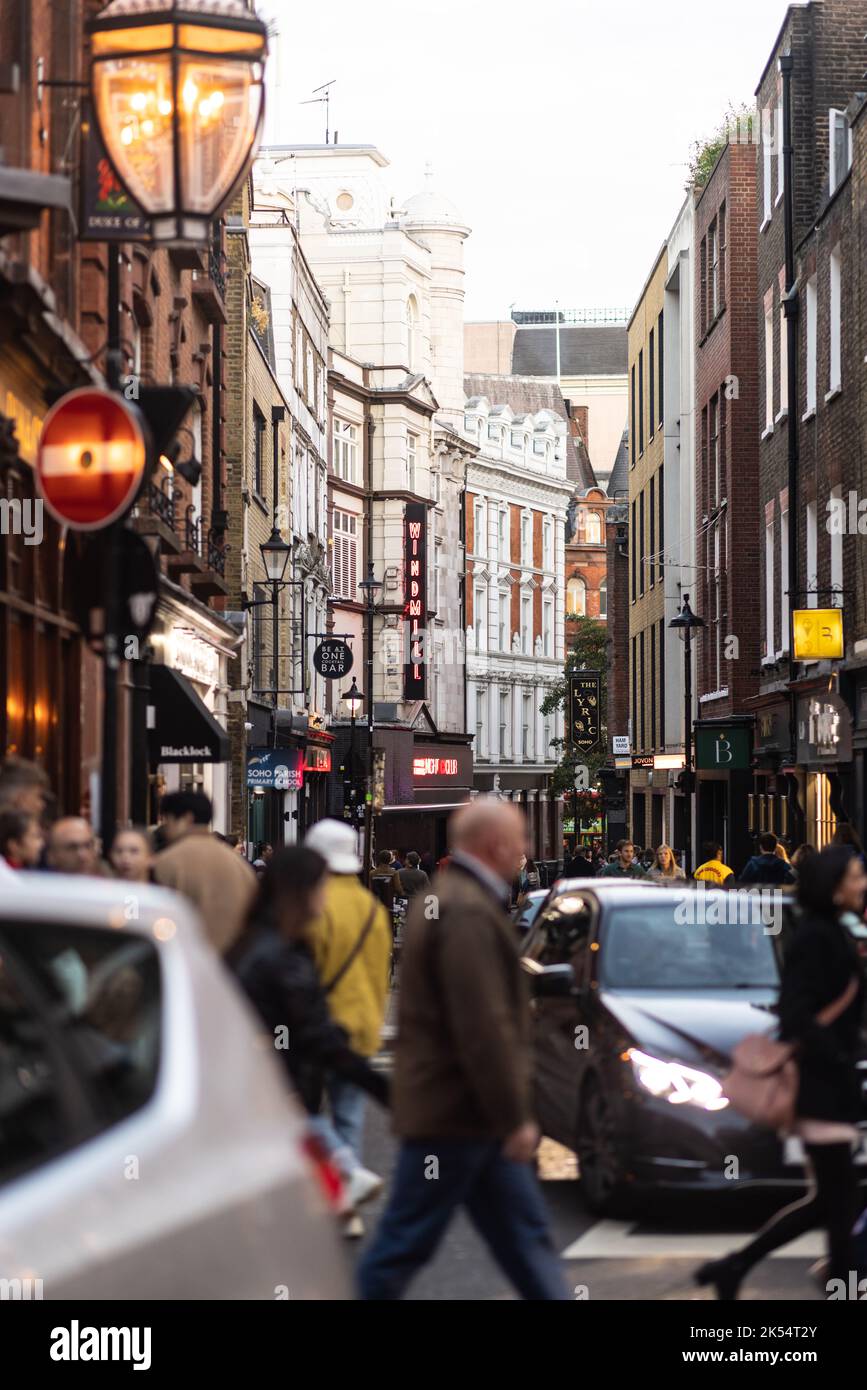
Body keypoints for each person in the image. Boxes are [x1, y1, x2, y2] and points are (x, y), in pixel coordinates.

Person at [358, 797, 567, 1300]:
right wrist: (514, 1115)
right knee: (404, 1244)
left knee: (525, 1238)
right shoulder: (467, 912)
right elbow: (483, 1025)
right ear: (496, 844)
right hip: (459, 1115)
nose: (524, 851)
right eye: (519, 840)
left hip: (463, 1115)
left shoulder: (459, 899)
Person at [696, 846, 866, 1300]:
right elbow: (797, 1014)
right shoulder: (818, 938)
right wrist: (837, 1058)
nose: (862, 883)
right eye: (854, 876)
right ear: (834, 886)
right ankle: (839, 1284)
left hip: (830, 1088)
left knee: (832, 1201)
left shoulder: (831, 932)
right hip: (822, 1090)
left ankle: (738, 1266)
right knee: (840, 1201)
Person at [228, 846, 390, 1214]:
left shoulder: (257, 944)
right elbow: (315, 1033)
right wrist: (384, 1090)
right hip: (278, 1086)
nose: (325, 896)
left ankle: (343, 1182)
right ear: (299, 893)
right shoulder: (280, 957)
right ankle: (344, 1181)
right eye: (320, 887)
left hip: (266, 1090)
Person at [303, 819, 392, 1236]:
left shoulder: (313, 906)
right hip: (361, 1027)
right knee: (348, 1118)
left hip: (320, 1029)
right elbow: (380, 974)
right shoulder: (373, 909)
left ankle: (348, 1174)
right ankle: (347, 1209)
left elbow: (306, 970)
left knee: (299, 1111)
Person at [152, 791, 256, 955]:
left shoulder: (169, 861)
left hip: (188, 960)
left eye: (168, 820)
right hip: (235, 963)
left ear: (187, 819)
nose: (165, 828)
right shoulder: (239, 864)